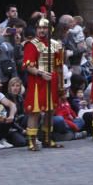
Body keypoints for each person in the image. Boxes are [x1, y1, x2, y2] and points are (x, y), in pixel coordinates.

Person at [22, 16, 64, 151]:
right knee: (35, 112)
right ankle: (31, 140)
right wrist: (40, 73)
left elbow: (59, 66)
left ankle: (47, 138)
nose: (41, 30)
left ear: (49, 29)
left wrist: (61, 85)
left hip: (52, 81)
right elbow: (28, 66)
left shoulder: (55, 44)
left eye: (44, 27)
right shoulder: (31, 44)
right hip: (37, 82)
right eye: (39, 28)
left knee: (50, 111)